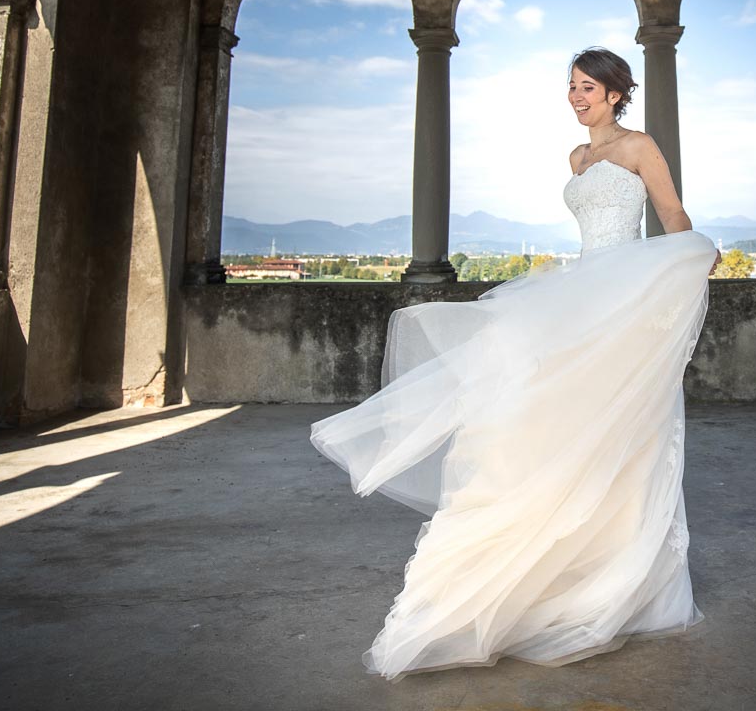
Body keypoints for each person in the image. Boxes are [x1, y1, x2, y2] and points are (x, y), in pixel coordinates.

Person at [309, 45, 723, 679]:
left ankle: (617, 577)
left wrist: (691, 260)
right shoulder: (577, 158)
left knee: (622, 432)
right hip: (580, 294)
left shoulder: (640, 147)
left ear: (616, 93)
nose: (576, 96)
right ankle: (552, 565)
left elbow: (670, 216)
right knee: (539, 420)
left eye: (588, 87)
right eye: (571, 86)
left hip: (621, 301)